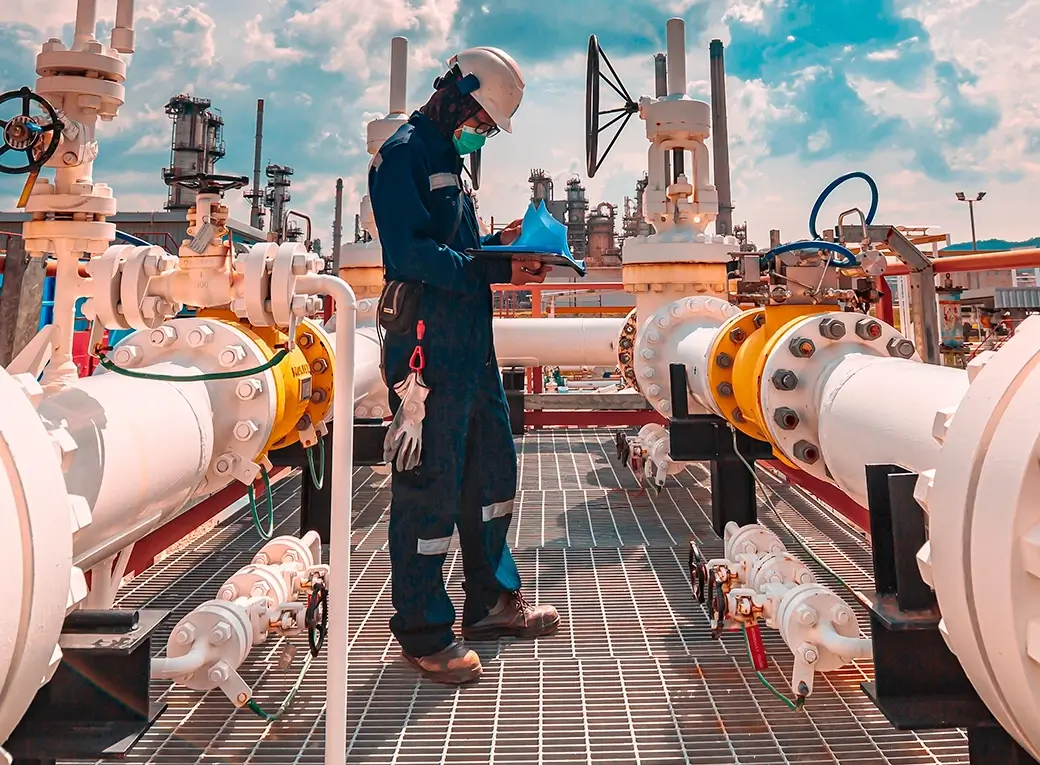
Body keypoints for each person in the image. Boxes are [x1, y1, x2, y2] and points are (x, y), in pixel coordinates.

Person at [368, 46, 560, 685]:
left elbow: (457, 245)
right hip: (425, 338)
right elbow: (410, 252)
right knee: (429, 483)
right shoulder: (404, 155)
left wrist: (504, 247)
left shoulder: (453, 159)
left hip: (470, 341)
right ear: (457, 93)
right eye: (481, 118)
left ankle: (491, 604)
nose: (482, 132)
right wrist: (491, 268)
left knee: (490, 469)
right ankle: (423, 631)